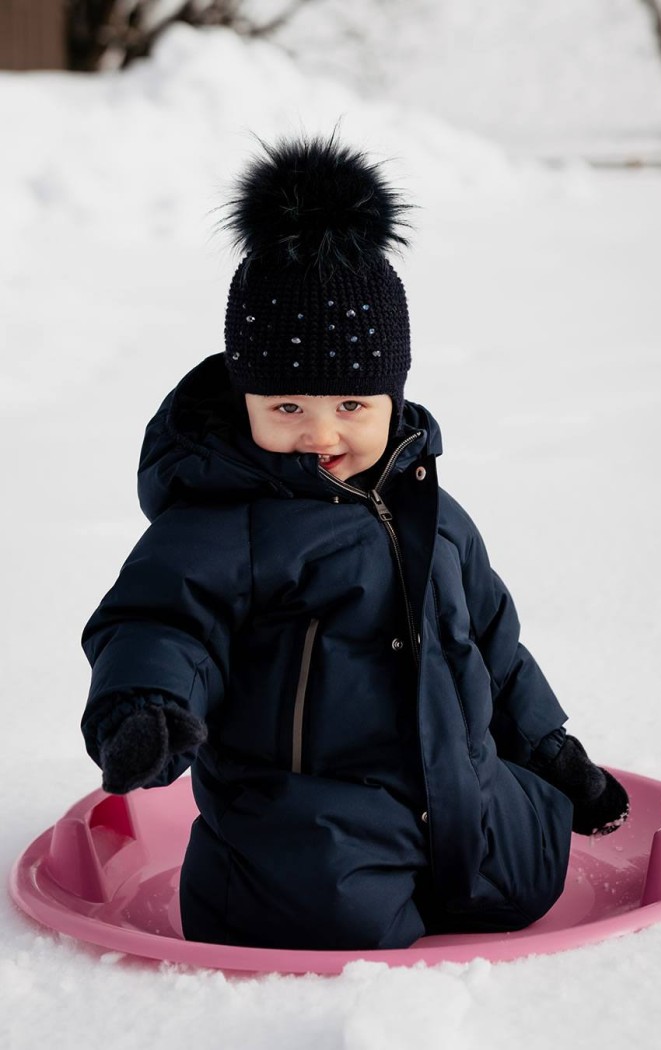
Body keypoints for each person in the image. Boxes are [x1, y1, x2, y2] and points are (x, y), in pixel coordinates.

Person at [80, 131, 629, 951]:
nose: (319, 432)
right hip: (309, 810)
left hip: (457, 785)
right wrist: (147, 710)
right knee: (329, 917)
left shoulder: (437, 515)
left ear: (393, 397)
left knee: (528, 871)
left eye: (351, 406)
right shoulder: (222, 521)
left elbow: (492, 644)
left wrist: (552, 753)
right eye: (287, 408)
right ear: (246, 402)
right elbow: (161, 623)